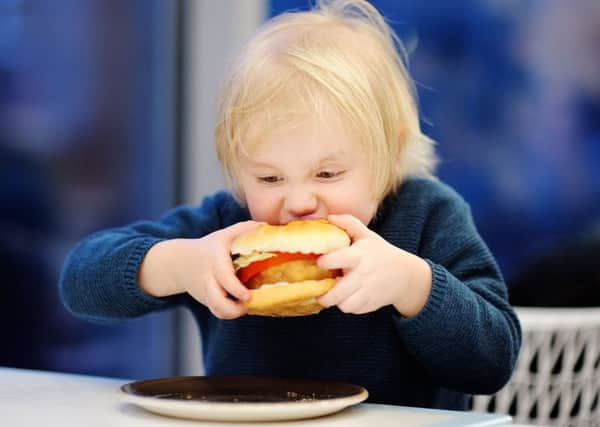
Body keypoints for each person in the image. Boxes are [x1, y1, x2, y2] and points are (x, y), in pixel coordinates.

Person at [59, 0, 521, 410]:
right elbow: (79, 280)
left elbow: (492, 361)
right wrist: (178, 265)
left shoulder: (427, 216)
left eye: (327, 174)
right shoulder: (226, 228)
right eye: (269, 177)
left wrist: (415, 286)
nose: (298, 201)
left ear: (390, 153)